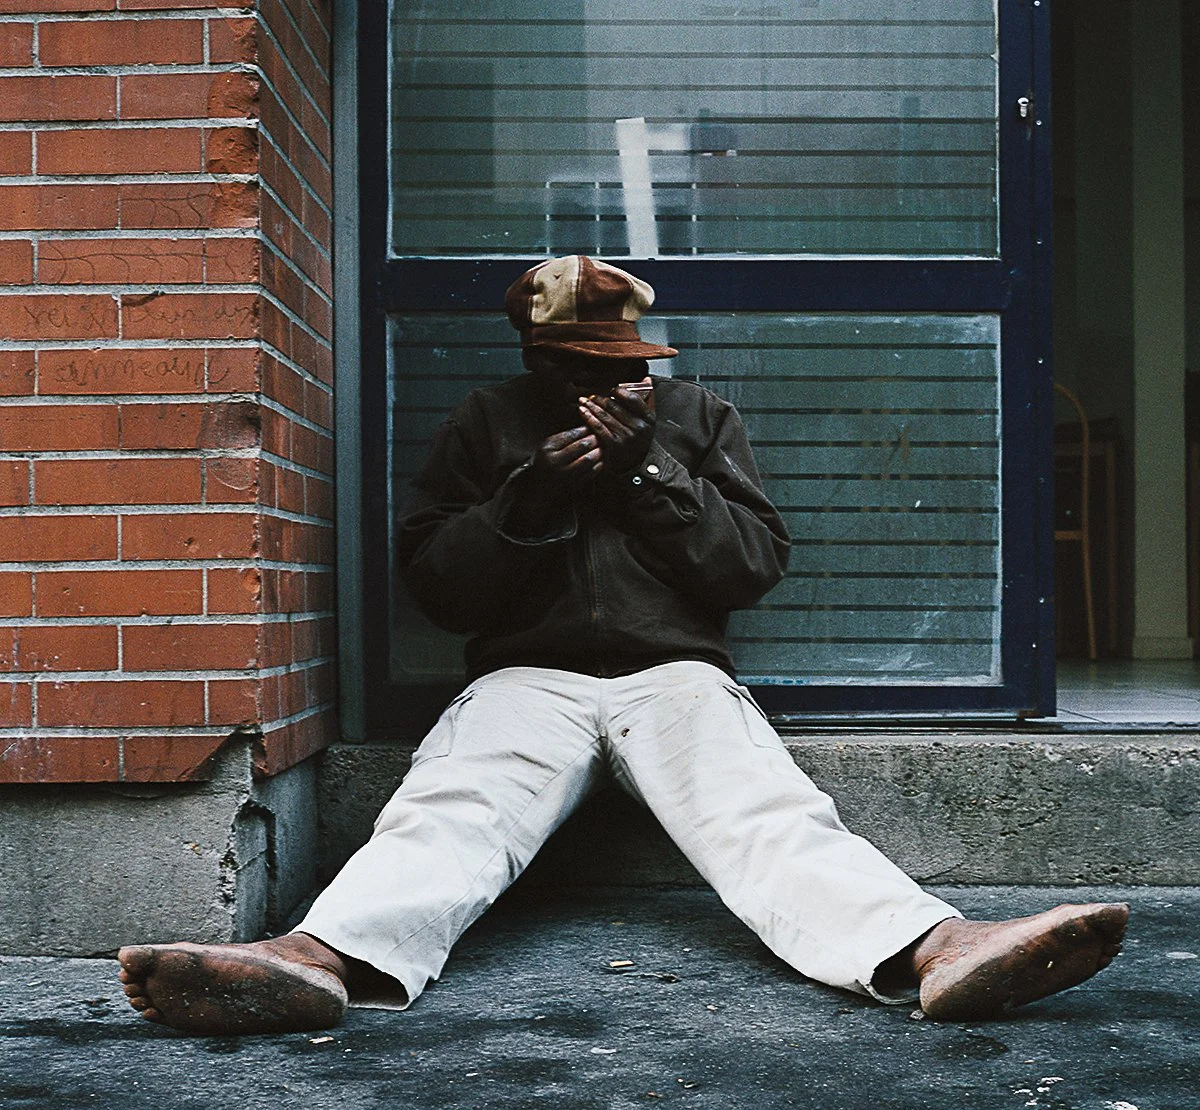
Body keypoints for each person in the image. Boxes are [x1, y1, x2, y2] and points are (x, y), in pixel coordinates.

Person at [118, 256, 1128, 1035]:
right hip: (529, 675)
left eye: (629, 365)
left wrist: (652, 473)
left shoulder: (695, 417)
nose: (618, 384)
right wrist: (532, 495)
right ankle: (313, 961)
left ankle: (941, 947)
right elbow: (438, 588)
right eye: (588, 371)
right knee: (452, 806)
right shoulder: (486, 423)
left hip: (673, 674)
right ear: (540, 362)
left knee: (764, 810)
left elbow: (751, 568)